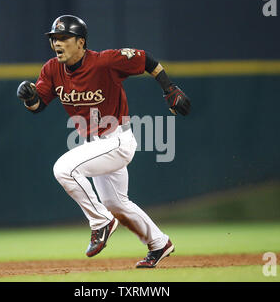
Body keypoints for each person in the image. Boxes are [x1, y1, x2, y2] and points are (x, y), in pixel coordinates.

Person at [16, 15, 191, 268]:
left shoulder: (105, 62)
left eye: (64, 38)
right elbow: (37, 105)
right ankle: (159, 243)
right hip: (94, 145)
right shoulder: (52, 70)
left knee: (64, 169)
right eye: (54, 38)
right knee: (116, 203)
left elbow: (145, 59)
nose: (57, 43)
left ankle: (101, 222)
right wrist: (28, 97)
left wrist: (169, 88)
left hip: (117, 139)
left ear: (81, 42)